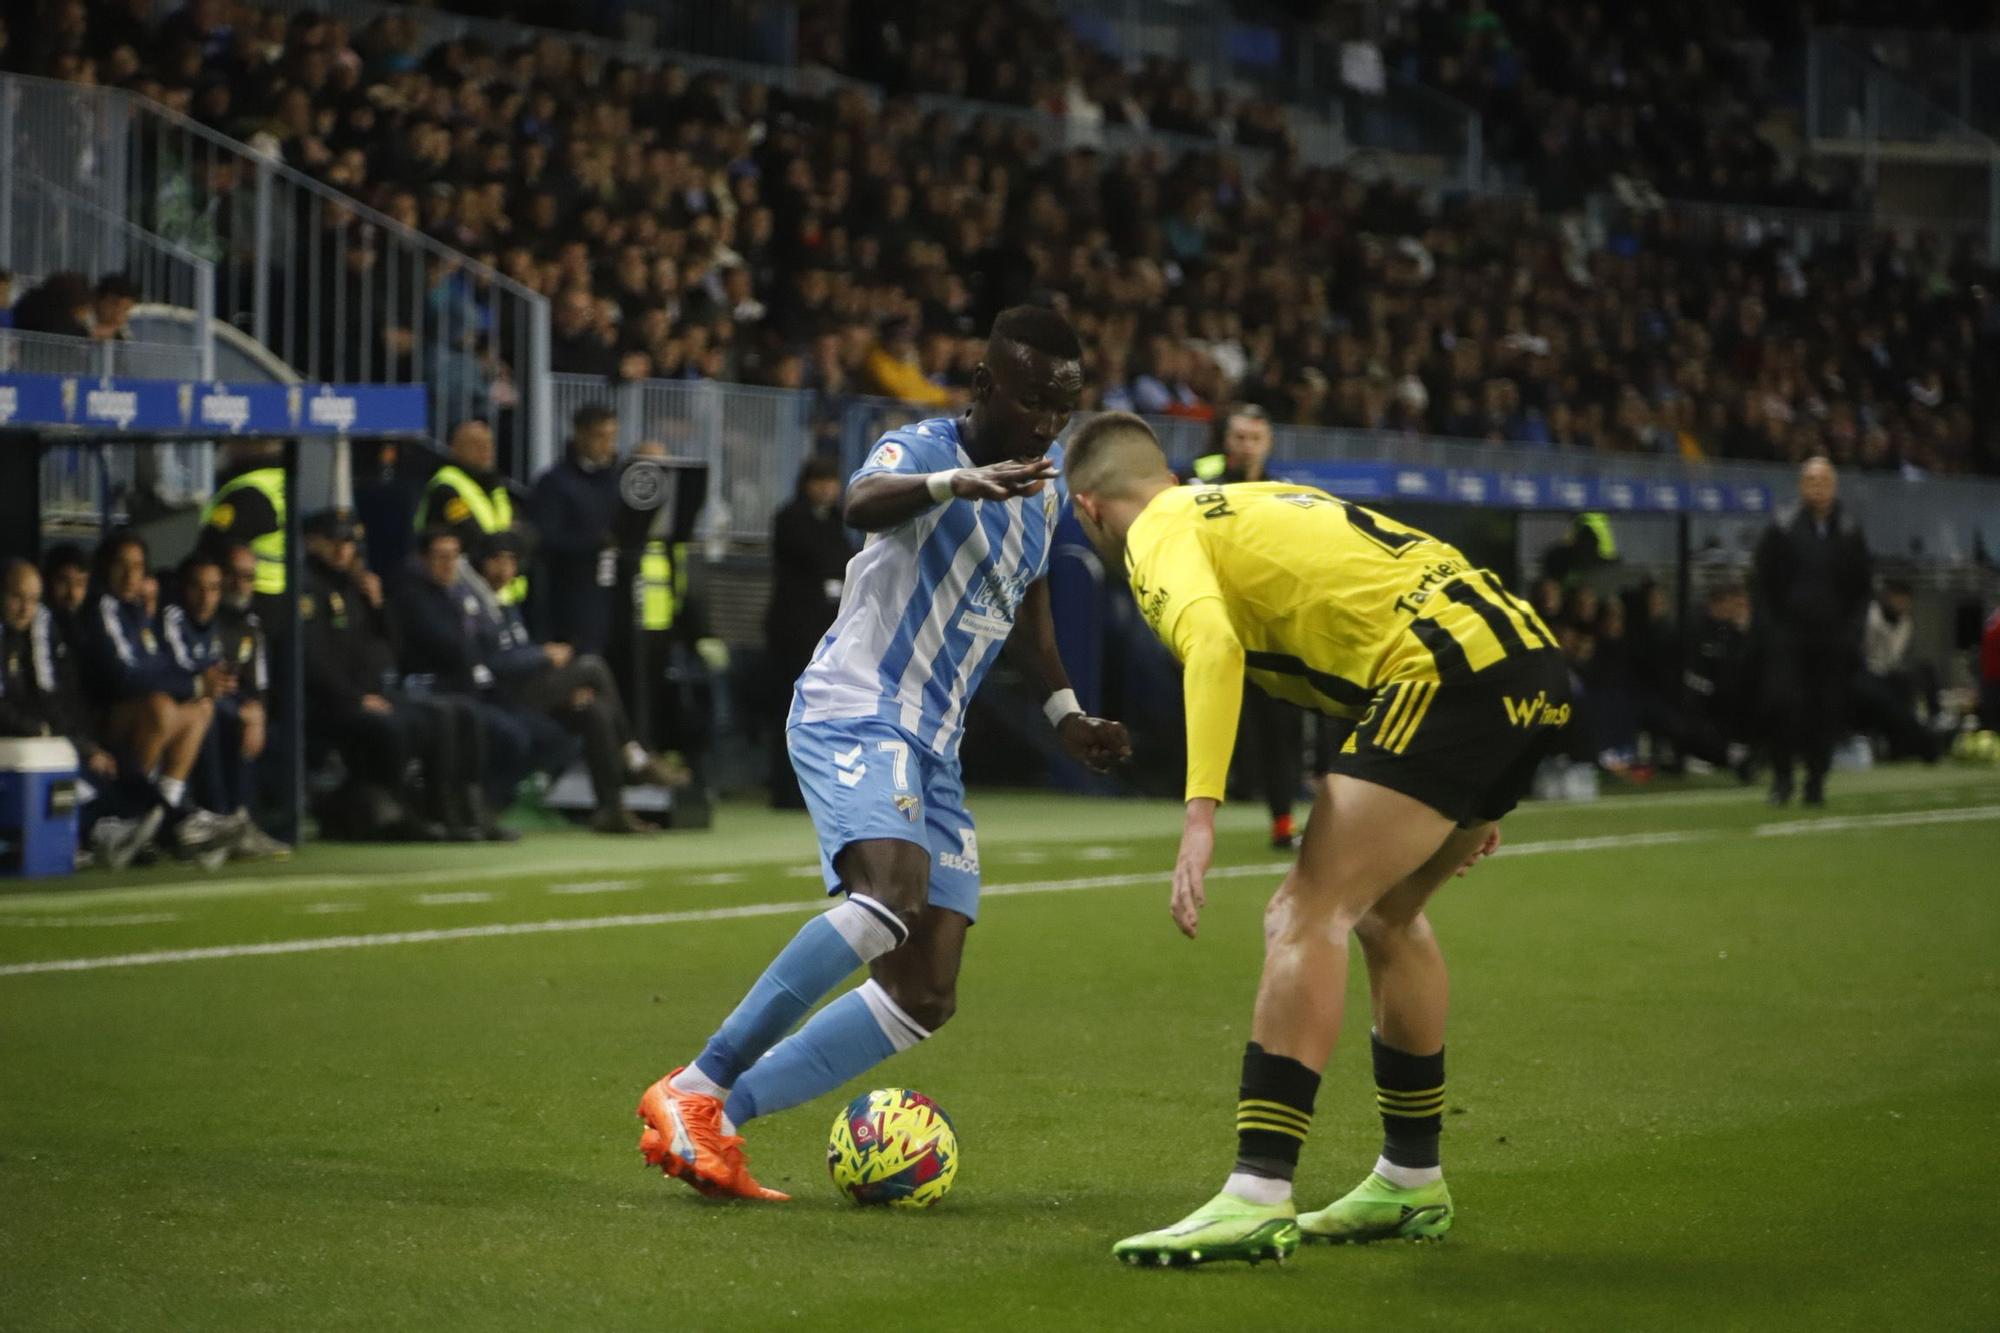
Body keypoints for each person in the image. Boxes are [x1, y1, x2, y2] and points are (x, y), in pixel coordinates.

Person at [636, 306, 1130, 1200]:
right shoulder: (922, 448)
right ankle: (693, 1086)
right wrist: (957, 485)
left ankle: (718, 1124)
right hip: (858, 710)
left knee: (924, 991)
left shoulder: (1046, 488)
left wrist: (1065, 713)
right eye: (1031, 403)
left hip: (934, 747)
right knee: (889, 894)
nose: (1047, 425)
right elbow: (863, 505)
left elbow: (1030, 608)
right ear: (984, 389)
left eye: (1063, 408)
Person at [1059, 412, 1567, 1266]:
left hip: (1441, 674)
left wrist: (1199, 814)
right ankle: (1410, 1180)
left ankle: (1256, 1193)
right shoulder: (1249, 499)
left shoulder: (1158, 533)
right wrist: (1475, 781)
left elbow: (1212, 645)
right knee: (1388, 912)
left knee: (1304, 913)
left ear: (1089, 507)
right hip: (1527, 665)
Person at [299, 512, 496, 842]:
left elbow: (391, 646)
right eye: (333, 541)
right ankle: (396, 812)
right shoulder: (308, 588)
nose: (341, 550)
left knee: (456, 713)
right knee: (395, 727)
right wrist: (356, 698)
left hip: (373, 693)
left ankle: (455, 810)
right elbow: (313, 660)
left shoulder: (354, 587)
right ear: (312, 542)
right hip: (329, 701)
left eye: (348, 542)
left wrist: (377, 606)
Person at [469, 530, 675, 834]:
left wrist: (556, 680)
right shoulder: (473, 603)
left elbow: (518, 650)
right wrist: (544, 656)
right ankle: (633, 755)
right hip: (501, 696)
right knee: (591, 667)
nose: (505, 570)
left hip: (528, 689)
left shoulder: (505, 604)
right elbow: (493, 664)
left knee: (594, 711)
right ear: (482, 563)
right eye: (497, 562)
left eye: (511, 562)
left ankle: (612, 809)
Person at [1188, 404, 1314, 848]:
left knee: (1280, 728)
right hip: (1214, 622)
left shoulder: (1283, 490)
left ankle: (1283, 823)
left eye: (1254, 438)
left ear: (1268, 442)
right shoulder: (1200, 481)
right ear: (1226, 440)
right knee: (1208, 722)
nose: (1245, 446)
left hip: (1268, 627)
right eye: (1238, 437)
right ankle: (1197, 823)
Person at [73, 532, 239, 864]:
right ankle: (130, 814)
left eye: (137, 566)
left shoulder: (136, 613)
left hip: (126, 716)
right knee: (160, 707)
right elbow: (124, 676)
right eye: (122, 565)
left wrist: (196, 688)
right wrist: (192, 684)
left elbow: (159, 664)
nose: (131, 575)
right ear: (106, 568)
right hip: (97, 722)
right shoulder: (102, 607)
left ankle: (165, 809)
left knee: (200, 709)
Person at [0, 560, 161, 869]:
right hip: (18, 747)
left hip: (40, 739)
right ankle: (105, 832)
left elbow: (49, 700)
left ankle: (169, 822)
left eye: (32, 600)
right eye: (16, 597)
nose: (25, 608)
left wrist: (83, 745)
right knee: (72, 775)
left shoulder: (36, 632)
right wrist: (42, 732)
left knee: (114, 766)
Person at [392, 527, 547, 834]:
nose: (448, 565)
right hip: (431, 688)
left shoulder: (455, 597)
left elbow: (473, 650)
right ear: (424, 559)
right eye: (440, 557)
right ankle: (455, 810)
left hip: (468, 690)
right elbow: (452, 648)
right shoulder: (415, 597)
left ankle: (480, 807)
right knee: (484, 724)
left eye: (453, 557)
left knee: (526, 729)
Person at [1753, 457, 1871, 806]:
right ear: (1801, 486)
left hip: (1832, 639)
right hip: (1788, 636)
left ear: (1834, 487)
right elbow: (1763, 582)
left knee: (1825, 711)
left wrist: (1852, 632)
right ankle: (1782, 779)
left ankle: (1816, 781)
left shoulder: (1850, 531)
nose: (1817, 488)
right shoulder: (1783, 527)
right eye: (1810, 481)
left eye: (1823, 481)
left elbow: (1861, 588)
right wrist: (1770, 629)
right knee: (1784, 705)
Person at [163, 551, 289, 859]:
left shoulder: (249, 625)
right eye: (233, 576)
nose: (239, 585)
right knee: (216, 714)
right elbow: (180, 675)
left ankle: (241, 820)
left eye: (248, 578)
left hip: (220, 706)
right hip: (178, 709)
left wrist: (255, 711)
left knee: (250, 723)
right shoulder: (178, 618)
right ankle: (220, 819)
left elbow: (254, 686)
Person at [764, 454, 853, 807]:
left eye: (832, 481)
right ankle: (785, 789)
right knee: (789, 707)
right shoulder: (790, 519)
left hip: (825, 629)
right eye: (821, 481)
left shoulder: (835, 521)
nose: (829, 489)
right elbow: (821, 560)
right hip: (794, 630)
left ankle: (818, 786)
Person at [531, 405, 623, 656]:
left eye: (612, 437)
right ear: (580, 435)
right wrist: (593, 543)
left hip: (615, 595)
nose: (607, 445)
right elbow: (544, 538)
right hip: (572, 596)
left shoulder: (617, 481)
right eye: (600, 436)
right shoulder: (555, 482)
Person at [415, 420, 526, 604]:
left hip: (503, 595)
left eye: (489, 444)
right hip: (464, 593)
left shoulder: (495, 487)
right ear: (456, 448)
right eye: (476, 444)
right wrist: (508, 543)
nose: (486, 450)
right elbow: (471, 535)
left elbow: (525, 532)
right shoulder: (447, 486)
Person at [1850, 578, 1939, 762]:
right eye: (1899, 600)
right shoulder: (1869, 617)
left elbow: (1896, 657)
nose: (1903, 604)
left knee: (1921, 675)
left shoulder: (1906, 623)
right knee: (1884, 695)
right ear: (1889, 597)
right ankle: (1923, 740)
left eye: (1906, 601)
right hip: (1864, 673)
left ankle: (1932, 724)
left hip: (1889, 673)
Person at [199, 440, 288, 600]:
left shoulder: (248, 492)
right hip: (284, 588)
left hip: (250, 593)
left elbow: (210, 547)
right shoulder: (283, 479)